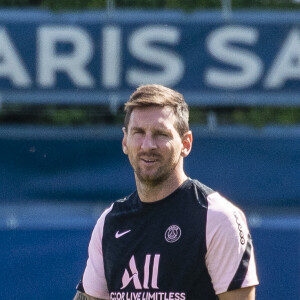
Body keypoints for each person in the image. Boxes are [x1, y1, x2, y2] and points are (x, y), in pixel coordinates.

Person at [73, 84, 259, 300]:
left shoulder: (217, 218)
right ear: (125, 141)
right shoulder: (110, 223)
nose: (148, 145)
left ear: (186, 143)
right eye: (139, 133)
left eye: (161, 134)